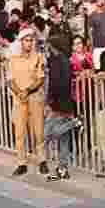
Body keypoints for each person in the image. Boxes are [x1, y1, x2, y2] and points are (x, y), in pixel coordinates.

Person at [7, 28, 47, 177]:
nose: (29, 43)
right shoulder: (13, 59)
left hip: (34, 97)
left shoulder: (38, 57)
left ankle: (42, 160)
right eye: (26, 40)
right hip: (19, 98)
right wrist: (19, 92)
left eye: (31, 40)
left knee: (38, 131)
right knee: (20, 132)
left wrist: (27, 91)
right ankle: (21, 162)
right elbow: (10, 80)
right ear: (21, 42)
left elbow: (40, 78)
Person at [42, 33, 77, 181]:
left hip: (58, 102)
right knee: (63, 138)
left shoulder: (57, 62)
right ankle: (63, 167)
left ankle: (74, 123)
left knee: (47, 133)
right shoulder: (64, 61)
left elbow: (55, 84)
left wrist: (50, 102)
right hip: (66, 101)